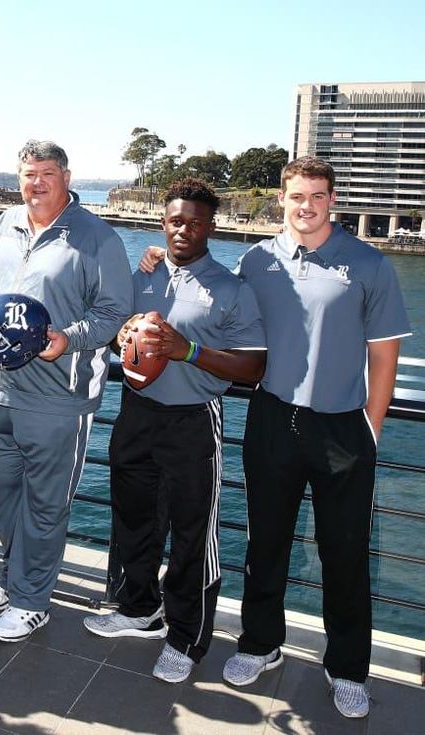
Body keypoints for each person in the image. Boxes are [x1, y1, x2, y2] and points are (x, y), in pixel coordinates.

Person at [140, 157, 410, 718]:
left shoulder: (369, 264)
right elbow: (216, 302)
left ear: (332, 200)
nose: (306, 205)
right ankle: (260, 644)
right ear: (282, 199)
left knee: (344, 553)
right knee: (266, 543)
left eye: (318, 195)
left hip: (343, 426)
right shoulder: (257, 260)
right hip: (272, 419)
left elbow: (384, 355)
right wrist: (155, 259)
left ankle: (347, 669)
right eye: (297, 196)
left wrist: (371, 428)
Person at [82, 178, 266, 683]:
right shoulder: (144, 275)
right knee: (134, 519)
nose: (184, 230)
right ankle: (140, 608)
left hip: (193, 420)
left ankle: (186, 638)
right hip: (136, 413)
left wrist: (189, 350)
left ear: (211, 227)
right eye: (176, 221)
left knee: (192, 535)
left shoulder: (231, 288)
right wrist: (122, 335)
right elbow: (117, 331)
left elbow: (253, 367)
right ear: (163, 223)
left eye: (195, 223)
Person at [0, 140, 133, 641]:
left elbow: (114, 312)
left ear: (66, 177)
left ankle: (31, 601)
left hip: (60, 397)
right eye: (28, 174)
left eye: (47, 173)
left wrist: (69, 338)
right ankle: (14, 577)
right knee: (0, 489)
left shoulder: (97, 237)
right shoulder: (4, 224)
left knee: (44, 505)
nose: (36, 183)